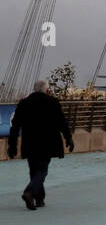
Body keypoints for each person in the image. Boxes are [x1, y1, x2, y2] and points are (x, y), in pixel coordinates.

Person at [6, 79, 74, 210]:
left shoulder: (24, 103)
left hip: (29, 142)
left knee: (34, 170)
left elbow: (15, 126)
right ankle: (30, 192)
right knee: (42, 170)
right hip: (48, 142)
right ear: (46, 90)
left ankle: (39, 199)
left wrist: (12, 145)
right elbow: (61, 122)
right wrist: (68, 138)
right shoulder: (53, 102)